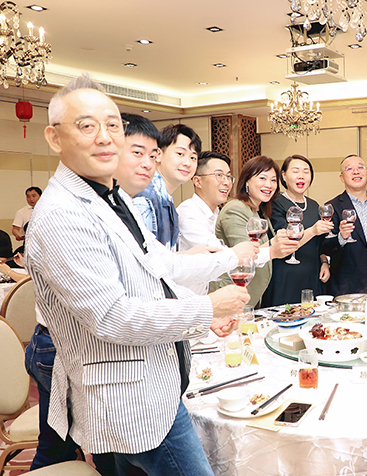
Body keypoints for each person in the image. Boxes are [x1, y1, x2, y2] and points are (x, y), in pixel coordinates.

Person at [25, 74, 257, 475]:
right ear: (54, 137)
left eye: (113, 125)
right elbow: (113, 316)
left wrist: (223, 273)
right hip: (132, 398)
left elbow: (160, 268)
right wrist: (206, 308)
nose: (104, 137)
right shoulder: (63, 214)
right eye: (86, 126)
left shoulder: (111, 197)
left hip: (152, 382)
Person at [215, 155, 299, 307]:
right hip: (229, 296)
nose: (269, 185)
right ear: (247, 181)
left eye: (273, 180)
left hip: (250, 298)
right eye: (262, 178)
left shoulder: (260, 211)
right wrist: (274, 247)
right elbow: (244, 256)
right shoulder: (235, 208)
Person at [265, 154, 332, 306]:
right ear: (283, 175)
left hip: (312, 275)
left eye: (306, 171)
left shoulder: (314, 205)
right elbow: (285, 242)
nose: (301, 175)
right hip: (285, 277)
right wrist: (313, 231)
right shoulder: (275, 203)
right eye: (295, 171)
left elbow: (319, 245)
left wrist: (324, 263)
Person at [133, 123, 201, 249]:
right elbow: (146, 255)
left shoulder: (165, 198)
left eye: (193, 158)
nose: (187, 163)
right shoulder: (145, 197)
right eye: (180, 154)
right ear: (158, 155)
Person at [177, 151, 234, 294]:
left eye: (228, 176)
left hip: (202, 297)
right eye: (219, 175)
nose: (226, 182)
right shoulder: (188, 212)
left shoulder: (216, 213)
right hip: (184, 301)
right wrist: (268, 251)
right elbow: (217, 252)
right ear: (197, 181)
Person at [322, 155, 367, 296]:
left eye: (360, 167)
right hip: (348, 288)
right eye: (349, 169)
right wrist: (341, 237)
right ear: (342, 178)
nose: (356, 171)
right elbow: (324, 247)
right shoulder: (332, 207)